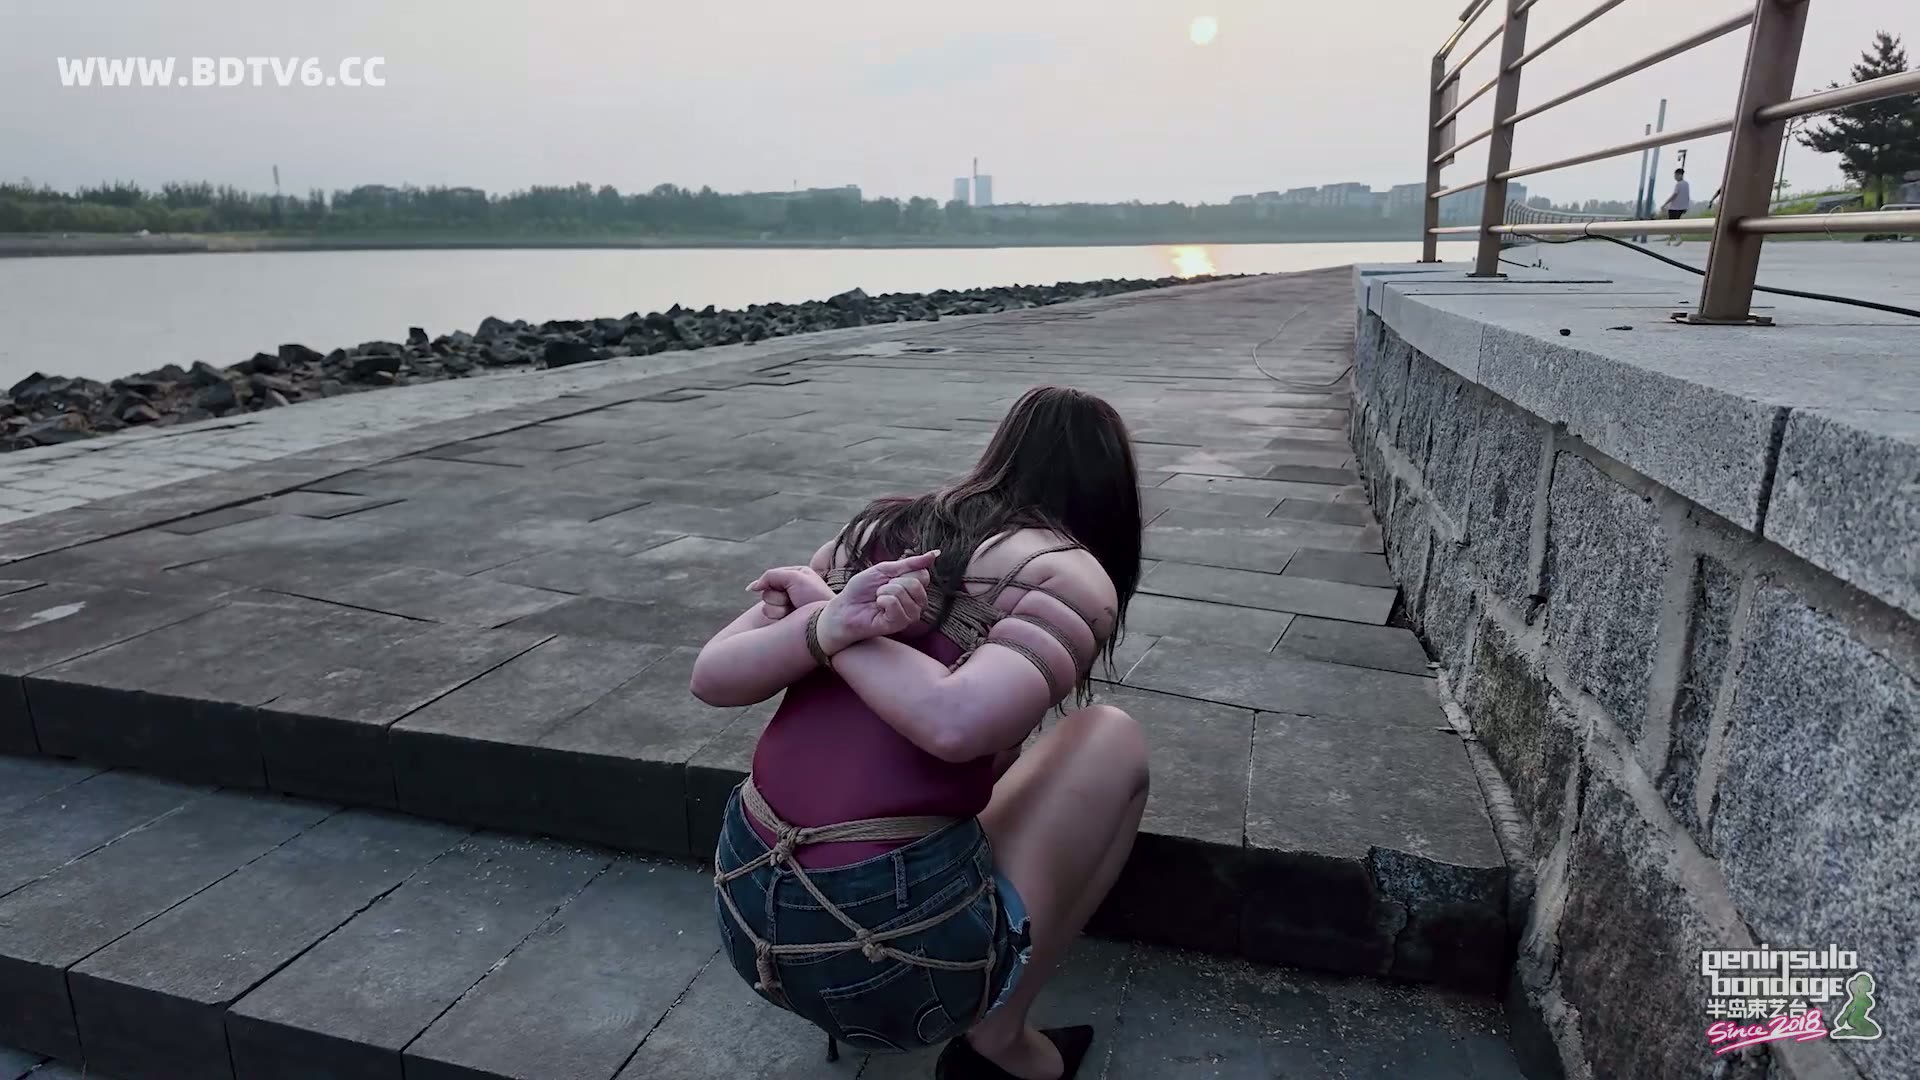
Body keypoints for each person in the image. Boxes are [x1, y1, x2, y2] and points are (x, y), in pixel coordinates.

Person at [692, 385, 1150, 1080]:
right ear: (1111, 499)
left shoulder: (875, 534)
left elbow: (711, 675)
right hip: (894, 959)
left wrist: (825, 625)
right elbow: (954, 722)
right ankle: (1003, 1044)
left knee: (997, 748)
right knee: (1111, 739)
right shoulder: (1066, 574)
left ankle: (859, 1008)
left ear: (1002, 451)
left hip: (746, 913)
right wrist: (834, 626)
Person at [1661, 168, 1692, 246]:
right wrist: (1686, 206)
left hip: (1674, 208)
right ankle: (1669, 240)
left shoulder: (1678, 184)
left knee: (1672, 225)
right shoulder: (1686, 184)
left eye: (1675, 175)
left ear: (1679, 175)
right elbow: (1687, 196)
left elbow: (1674, 195)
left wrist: (1665, 204)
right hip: (1682, 207)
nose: (1675, 177)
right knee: (1674, 224)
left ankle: (1678, 239)